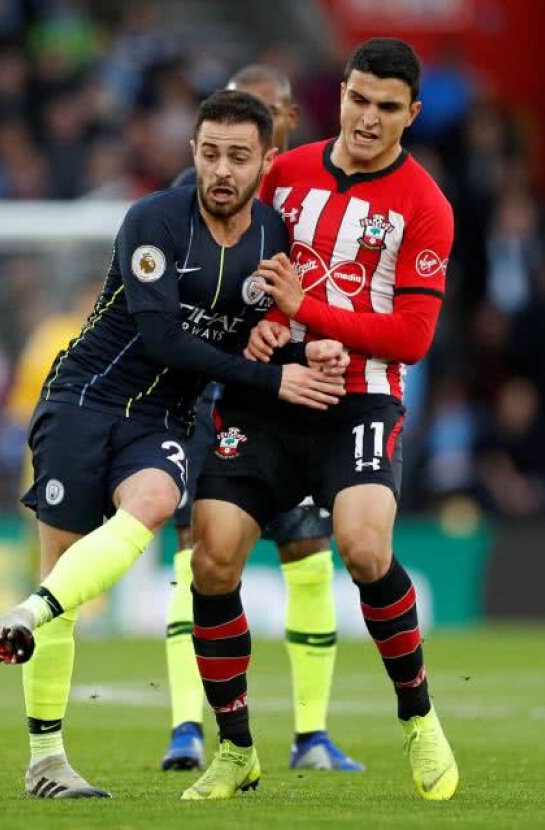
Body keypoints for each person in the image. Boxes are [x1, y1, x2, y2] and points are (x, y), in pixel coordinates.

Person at [0, 90, 348, 799]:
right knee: (64, 569)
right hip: (85, 399)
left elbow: (263, 325)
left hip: (164, 420)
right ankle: (46, 760)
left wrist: (291, 344)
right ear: (193, 154)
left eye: (238, 156)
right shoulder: (153, 221)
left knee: (153, 502)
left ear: (266, 161)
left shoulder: (275, 238)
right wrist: (272, 380)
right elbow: (163, 338)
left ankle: (25, 614)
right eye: (210, 154)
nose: (222, 170)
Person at [183, 38, 458, 802]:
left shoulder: (425, 206)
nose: (368, 119)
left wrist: (312, 312)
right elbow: (242, 282)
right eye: (359, 99)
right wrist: (260, 327)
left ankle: (419, 719)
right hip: (269, 393)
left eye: (388, 108)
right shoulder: (286, 173)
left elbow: (411, 337)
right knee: (212, 559)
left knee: (366, 549)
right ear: (339, 93)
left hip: (361, 400)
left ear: (413, 115)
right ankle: (235, 749)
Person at [161, 64, 362, 774]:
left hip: (286, 399)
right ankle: (188, 724)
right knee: (201, 557)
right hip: (206, 401)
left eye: (272, 111)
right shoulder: (189, 205)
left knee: (308, 554)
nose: (262, 120)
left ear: (286, 127)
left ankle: (311, 735)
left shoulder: (304, 207)